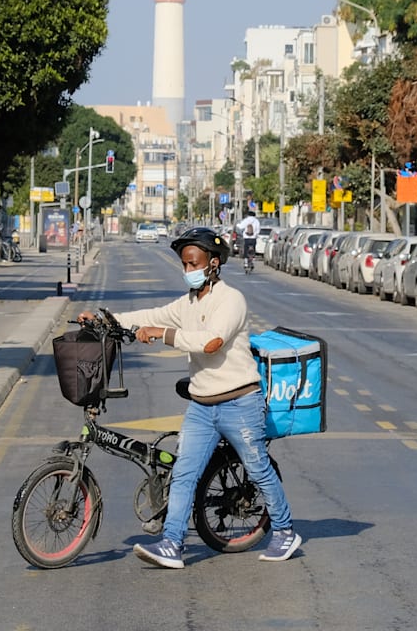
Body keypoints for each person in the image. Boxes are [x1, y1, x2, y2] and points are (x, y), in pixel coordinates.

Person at [82, 227, 301, 568]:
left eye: (193, 264)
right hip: (202, 406)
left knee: (257, 468)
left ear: (214, 264)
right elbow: (149, 316)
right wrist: (104, 319)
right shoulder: (187, 303)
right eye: (184, 265)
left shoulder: (231, 300)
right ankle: (171, 544)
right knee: (184, 473)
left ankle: (286, 532)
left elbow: (210, 342)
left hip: (239, 403)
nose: (188, 271)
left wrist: (163, 335)